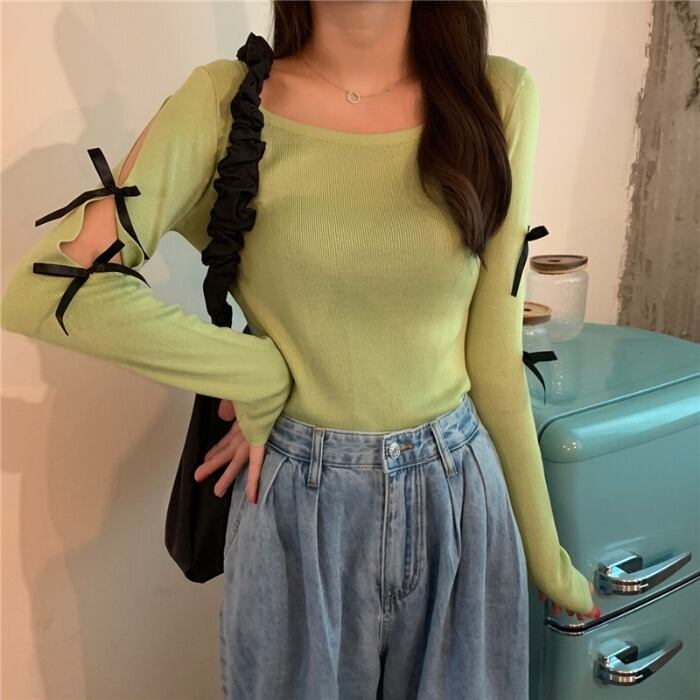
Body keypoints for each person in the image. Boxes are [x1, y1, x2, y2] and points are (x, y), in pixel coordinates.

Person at [0, 2, 601, 698]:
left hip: (460, 502)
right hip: (296, 507)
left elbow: (493, 353)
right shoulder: (225, 104)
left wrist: (544, 552)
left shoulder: (497, 97)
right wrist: (253, 371)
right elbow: (45, 287)